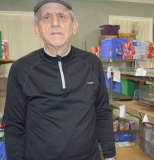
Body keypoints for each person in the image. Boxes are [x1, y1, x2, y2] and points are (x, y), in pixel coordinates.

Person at [4, 0, 116, 159]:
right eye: (47, 17)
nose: (55, 23)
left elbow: (102, 113)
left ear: (74, 26)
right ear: (37, 29)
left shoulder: (92, 64)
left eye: (62, 16)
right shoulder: (21, 69)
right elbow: (14, 126)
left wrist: (110, 156)